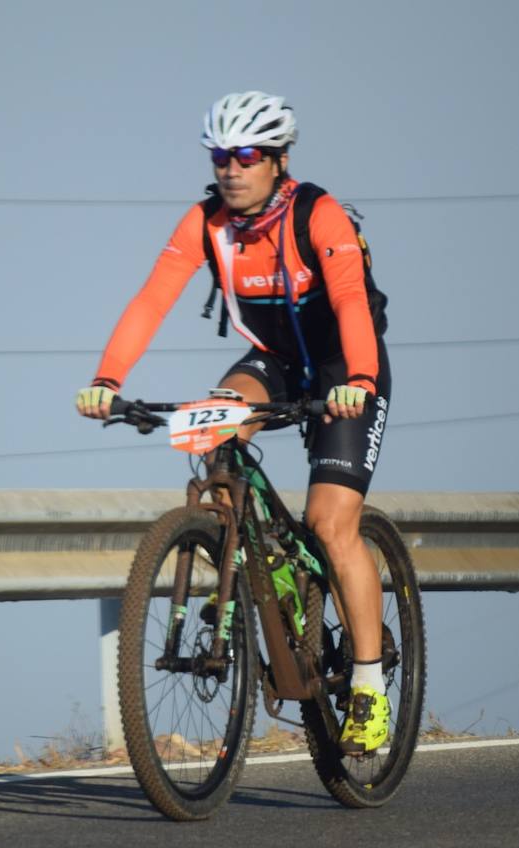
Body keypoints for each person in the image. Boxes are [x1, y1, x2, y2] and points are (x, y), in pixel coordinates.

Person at [76, 90, 393, 755]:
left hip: (343, 369)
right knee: (214, 434)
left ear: (278, 159)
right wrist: (108, 381)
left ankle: (368, 686)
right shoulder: (205, 222)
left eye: (246, 156)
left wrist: (359, 382)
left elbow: (351, 302)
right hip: (273, 362)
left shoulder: (319, 215)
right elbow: (151, 300)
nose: (230, 169)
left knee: (332, 525)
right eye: (221, 156)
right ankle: (251, 584)